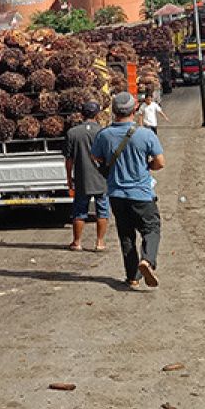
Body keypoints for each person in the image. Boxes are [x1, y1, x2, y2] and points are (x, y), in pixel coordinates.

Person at [92, 91, 165, 289]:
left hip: (116, 195)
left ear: (114, 112)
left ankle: (132, 277)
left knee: (126, 235)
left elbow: (96, 158)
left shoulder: (104, 135)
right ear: (134, 110)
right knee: (151, 228)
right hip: (141, 193)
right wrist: (146, 166)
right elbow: (160, 162)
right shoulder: (145, 134)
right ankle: (147, 260)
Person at [64, 101, 108, 252]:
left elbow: (69, 159)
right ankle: (100, 242)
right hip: (101, 178)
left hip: (82, 178)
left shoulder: (73, 133)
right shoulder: (103, 132)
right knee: (102, 210)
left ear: (82, 114)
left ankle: (77, 242)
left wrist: (69, 178)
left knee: (79, 211)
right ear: (97, 114)